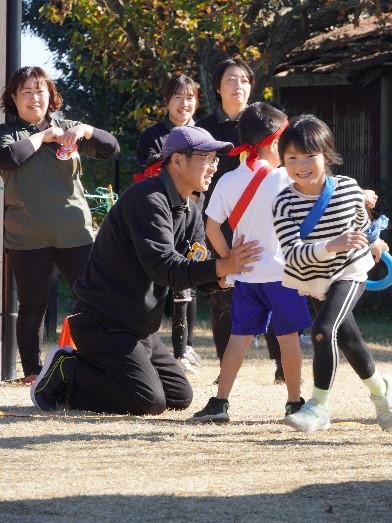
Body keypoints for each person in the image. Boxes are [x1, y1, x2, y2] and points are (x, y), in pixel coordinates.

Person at [29, 126, 261, 415]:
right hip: (103, 324)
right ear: (177, 161)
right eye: (207, 157)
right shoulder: (147, 199)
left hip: (140, 329)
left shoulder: (190, 211)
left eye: (216, 158)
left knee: (179, 396)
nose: (214, 166)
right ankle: (68, 369)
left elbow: (194, 273)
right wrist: (224, 265)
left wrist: (225, 278)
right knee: (147, 401)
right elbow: (166, 269)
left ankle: (99, 372)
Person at [273, 114, 392, 433]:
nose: (301, 165)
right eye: (292, 158)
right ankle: (381, 390)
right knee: (349, 340)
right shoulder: (283, 203)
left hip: (350, 270)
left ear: (326, 155)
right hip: (314, 277)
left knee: (322, 329)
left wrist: (373, 242)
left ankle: (318, 407)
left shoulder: (347, 190)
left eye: (309, 156)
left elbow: (360, 227)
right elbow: (292, 251)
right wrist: (333, 244)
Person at [190, 103, 312, 423]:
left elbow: (211, 227)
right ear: (275, 143)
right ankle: (295, 403)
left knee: (238, 339)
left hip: (246, 277)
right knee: (289, 341)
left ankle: (219, 403)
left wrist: (228, 260)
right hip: (283, 276)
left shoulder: (229, 180)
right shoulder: (288, 179)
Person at [0, 66, 120, 384]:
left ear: (50, 95)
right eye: (25, 91)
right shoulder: (8, 133)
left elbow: (112, 149)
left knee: (92, 298)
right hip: (27, 237)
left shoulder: (68, 128)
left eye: (40, 90)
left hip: (75, 233)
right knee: (32, 305)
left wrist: (86, 131)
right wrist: (42, 137)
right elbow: (8, 158)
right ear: (14, 98)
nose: (33, 97)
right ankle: (32, 371)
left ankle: (98, 359)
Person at [196, 58, 286, 382]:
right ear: (217, 88)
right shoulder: (204, 128)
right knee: (223, 294)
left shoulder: (267, 121)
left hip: (264, 221)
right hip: (220, 218)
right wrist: (224, 257)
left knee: (276, 287)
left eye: (244, 79)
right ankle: (225, 369)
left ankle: (282, 364)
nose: (238, 85)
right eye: (230, 79)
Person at [134, 73, 202, 373]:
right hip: (160, 216)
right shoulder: (152, 135)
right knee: (159, 276)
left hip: (193, 216)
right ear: (166, 101)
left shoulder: (203, 135)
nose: (184, 103)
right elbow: (149, 167)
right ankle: (152, 344)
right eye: (178, 97)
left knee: (193, 276)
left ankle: (186, 346)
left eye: (190, 98)